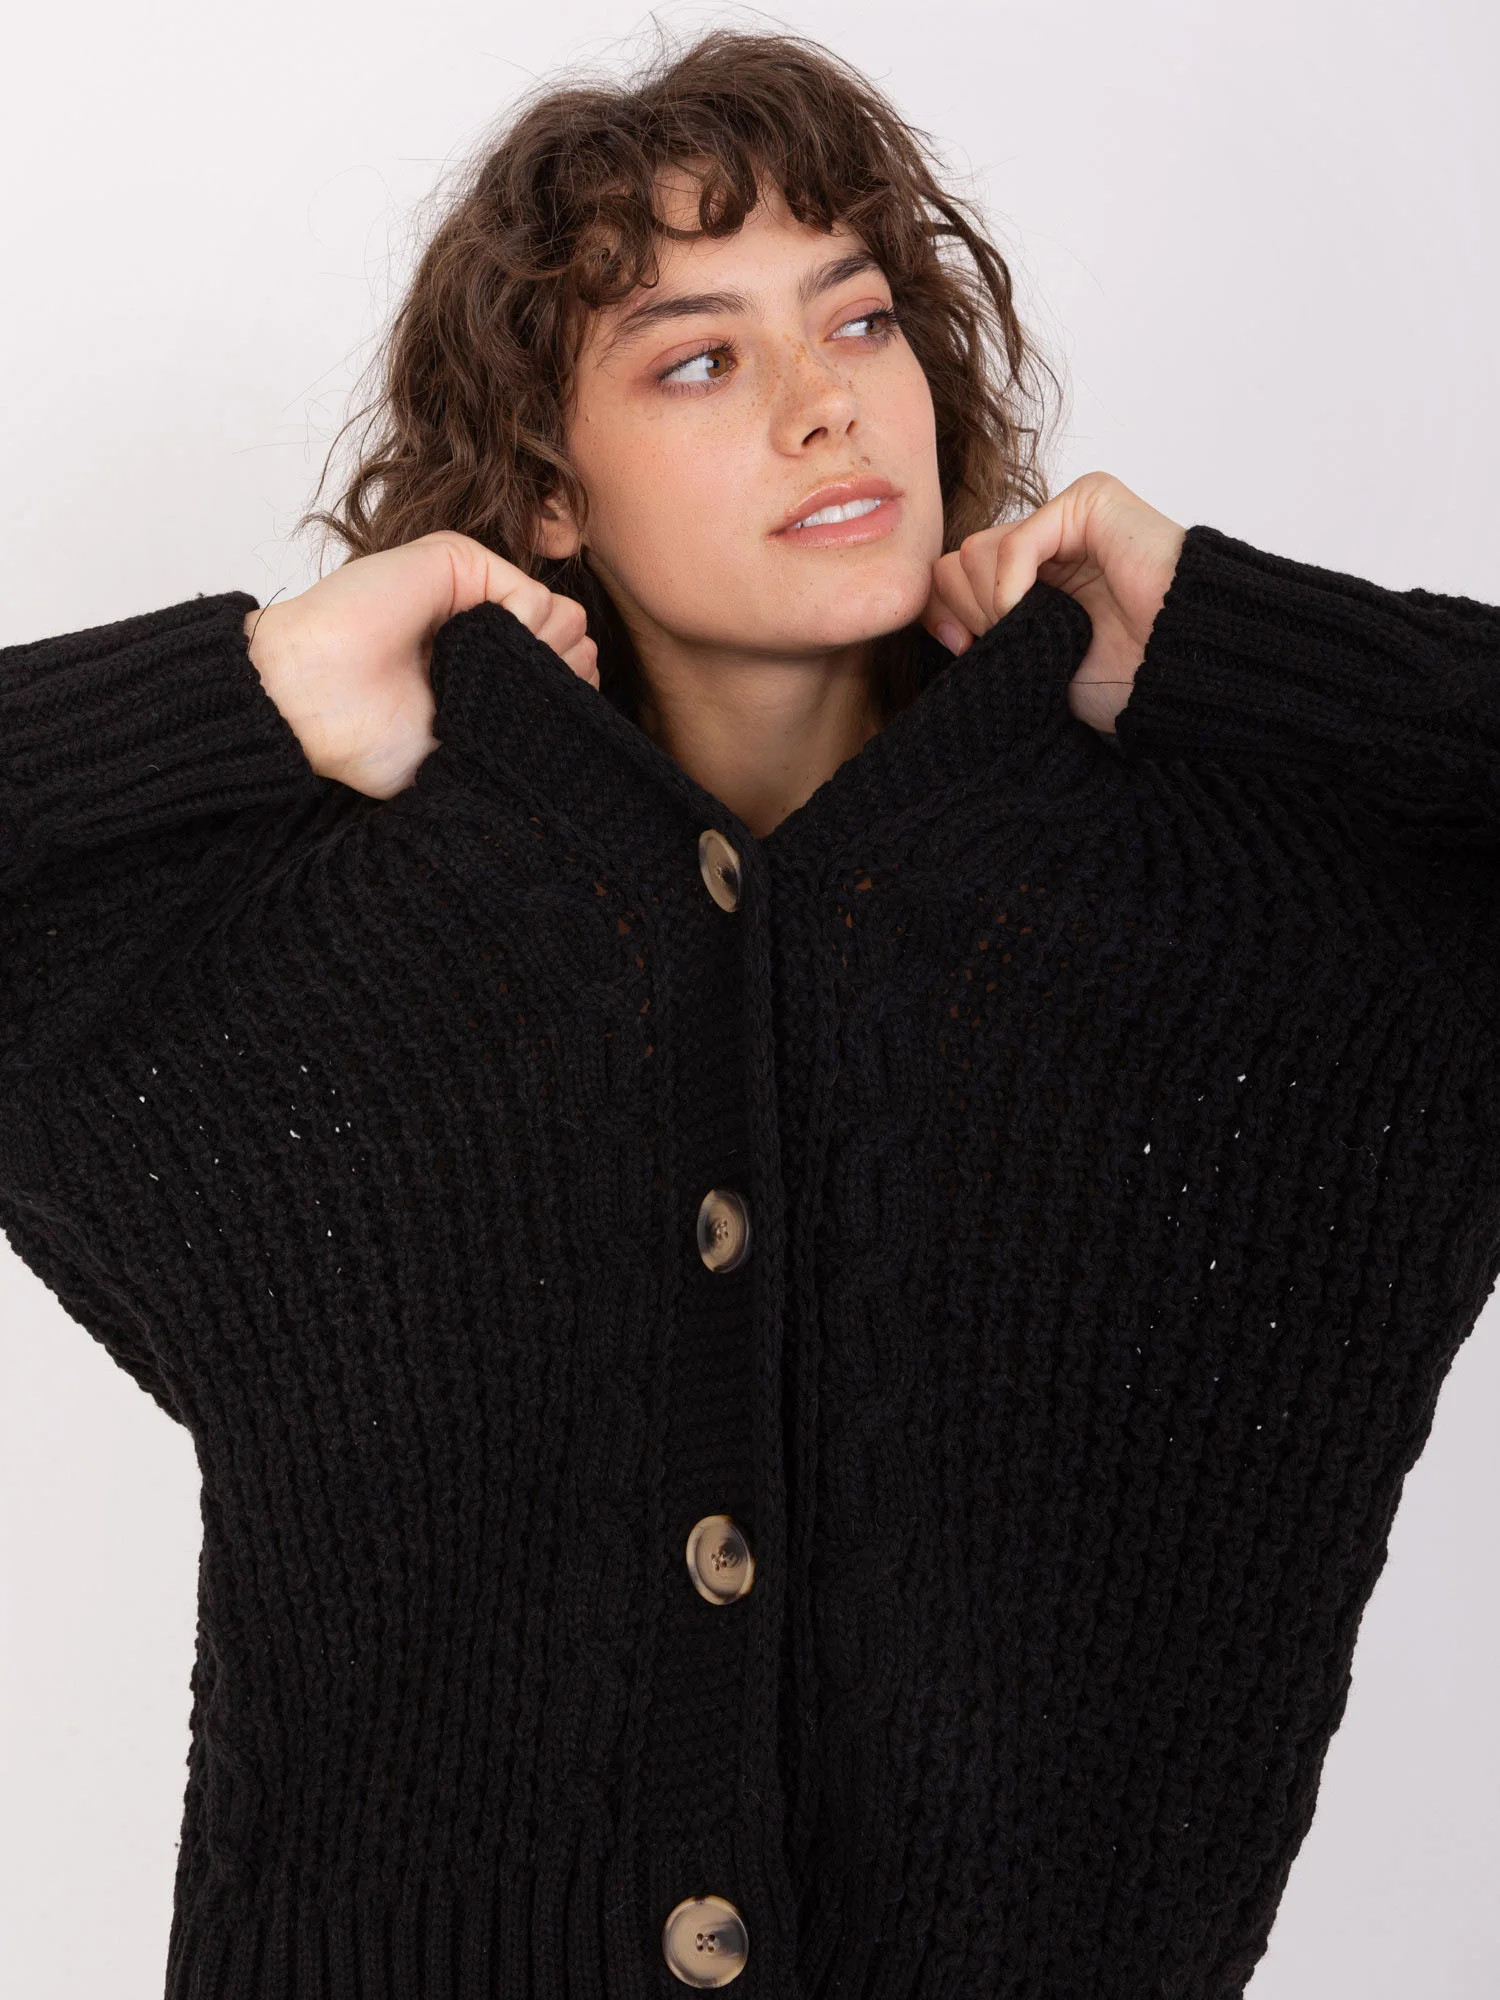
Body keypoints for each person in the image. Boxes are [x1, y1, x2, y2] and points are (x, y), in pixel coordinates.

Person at [2, 23, 1497, 2000]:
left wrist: (1245, 643)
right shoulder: (327, 943)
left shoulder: (1236, 931)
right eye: (698, 359)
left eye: (859, 321)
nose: (825, 405)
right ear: (549, 487)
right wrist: (254, 691)